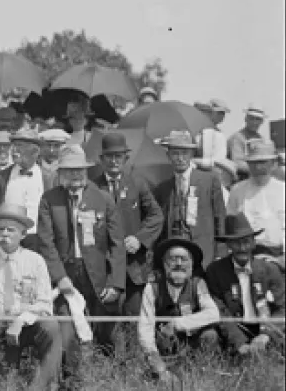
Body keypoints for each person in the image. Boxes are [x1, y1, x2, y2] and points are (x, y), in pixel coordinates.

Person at [36, 145, 124, 368]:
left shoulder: (103, 198)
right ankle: (73, 379)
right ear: (60, 173)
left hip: (98, 275)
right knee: (68, 327)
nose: (75, 175)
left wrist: (115, 283)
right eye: (69, 170)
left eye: (79, 170)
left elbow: (117, 244)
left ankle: (105, 378)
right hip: (66, 274)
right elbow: (46, 244)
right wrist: (59, 277)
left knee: (103, 332)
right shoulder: (49, 199)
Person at [0, 203, 63, 390]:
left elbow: (45, 304)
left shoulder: (35, 261)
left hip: (25, 327)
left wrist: (21, 320)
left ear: (23, 235)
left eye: (10, 230)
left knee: (51, 326)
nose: (4, 234)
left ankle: (46, 384)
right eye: (0, 229)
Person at [94, 132, 163, 317]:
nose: (114, 161)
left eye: (118, 156)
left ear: (126, 158)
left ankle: (133, 347)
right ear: (101, 159)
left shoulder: (137, 183)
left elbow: (156, 216)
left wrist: (139, 239)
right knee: (107, 318)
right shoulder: (92, 187)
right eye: (109, 156)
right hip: (106, 264)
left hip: (134, 265)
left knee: (134, 315)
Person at [137, 237, 220, 384]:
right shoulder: (152, 288)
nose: (179, 264)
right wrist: (160, 368)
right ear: (164, 263)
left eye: (184, 259)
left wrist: (177, 323)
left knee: (210, 335)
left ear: (192, 264)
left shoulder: (198, 284)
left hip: (191, 348)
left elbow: (213, 314)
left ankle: (200, 375)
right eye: (173, 259)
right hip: (163, 350)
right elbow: (145, 329)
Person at [203, 214, 285, 356]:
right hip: (235, 329)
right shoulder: (215, 271)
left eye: (246, 242)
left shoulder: (270, 269)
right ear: (228, 244)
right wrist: (238, 341)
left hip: (265, 328)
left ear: (254, 243)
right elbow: (219, 309)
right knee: (210, 336)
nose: (242, 248)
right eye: (236, 243)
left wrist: (266, 334)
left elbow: (282, 307)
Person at [153, 130, 227, 269]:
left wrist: (220, 253)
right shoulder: (162, 189)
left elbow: (220, 218)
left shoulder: (209, 181)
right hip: (174, 256)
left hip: (204, 253)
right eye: (175, 153)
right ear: (168, 156)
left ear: (192, 155)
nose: (180, 158)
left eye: (184, 153)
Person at [226, 139, 285, 260]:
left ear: (273, 163)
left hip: (280, 254)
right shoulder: (237, 191)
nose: (258, 167)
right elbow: (231, 224)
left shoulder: (282, 189)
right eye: (253, 162)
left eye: (263, 162)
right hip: (247, 254)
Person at [0, 128, 45, 238]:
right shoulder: (2, 177)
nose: (14, 150)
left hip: (39, 240)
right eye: (14, 145)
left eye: (20, 145)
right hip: (9, 240)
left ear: (35, 151)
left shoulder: (48, 177)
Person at [229, 105, 267, 178]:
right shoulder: (238, 137)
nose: (254, 122)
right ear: (246, 119)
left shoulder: (261, 138)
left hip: (258, 177)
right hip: (241, 178)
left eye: (258, 119)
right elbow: (238, 163)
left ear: (262, 121)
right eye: (252, 118)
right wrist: (259, 170)